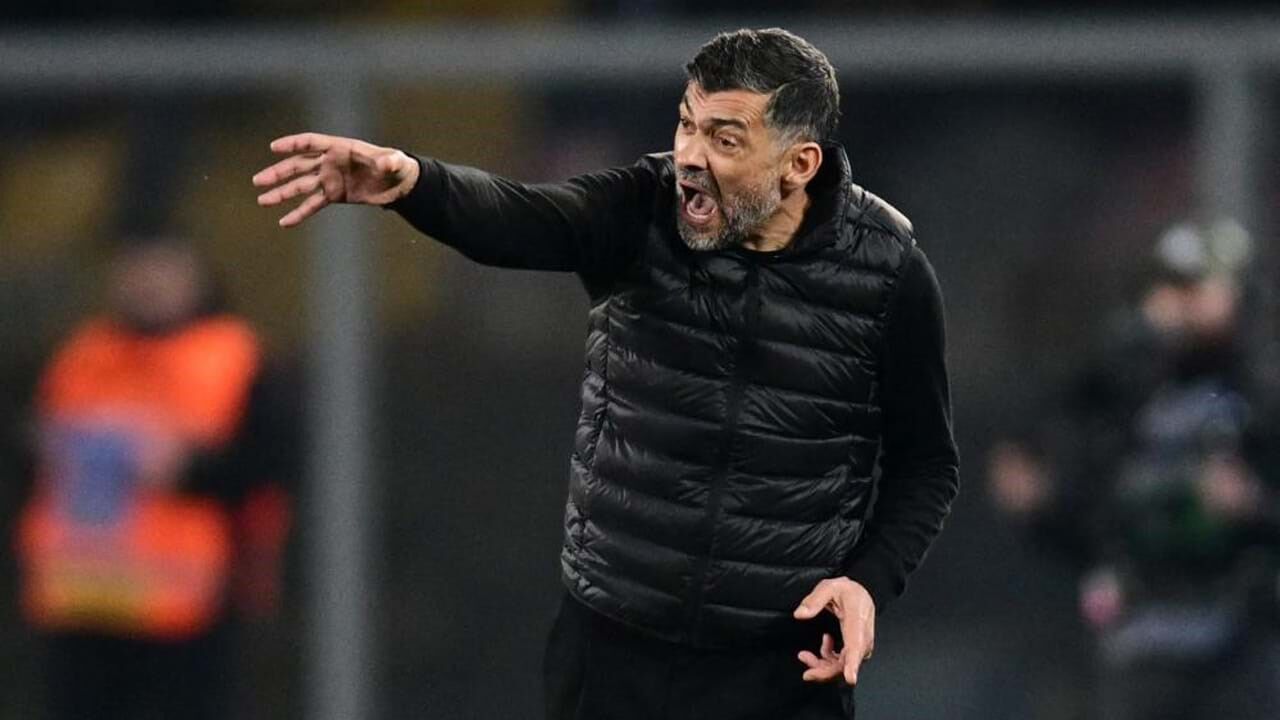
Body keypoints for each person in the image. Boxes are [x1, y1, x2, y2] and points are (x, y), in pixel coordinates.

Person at [254, 28, 959, 719]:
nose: (690, 157)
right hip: (615, 653)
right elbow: (522, 218)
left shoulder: (889, 275)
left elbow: (926, 465)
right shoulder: (641, 210)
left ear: (799, 164)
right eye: (686, 125)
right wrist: (415, 183)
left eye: (724, 139)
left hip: (783, 664)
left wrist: (868, 583)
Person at [988, 220, 1280, 720]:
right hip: (1143, 639)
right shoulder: (1117, 388)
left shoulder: (1258, 392)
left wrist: (1253, 504)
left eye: (1194, 287)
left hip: (1242, 637)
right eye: (1168, 287)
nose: (1177, 305)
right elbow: (1085, 513)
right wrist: (1040, 503)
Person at [14, 238, 293, 720]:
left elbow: (268, 463)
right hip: (82, 597)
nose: (148, 284)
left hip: (188, 603)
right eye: (136, 268)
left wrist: (187, 470)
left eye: (163, 270)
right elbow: (32, 448)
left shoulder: (233, 356)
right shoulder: (81, 353)